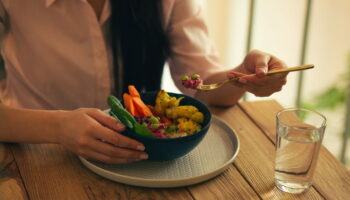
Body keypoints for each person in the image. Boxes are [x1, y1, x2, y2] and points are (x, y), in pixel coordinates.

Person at [0, 0, 288, 164]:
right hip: (36, 154)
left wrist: (242, 78)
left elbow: (202, 87)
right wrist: (59, 127)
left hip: (141, 161)